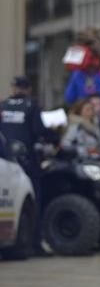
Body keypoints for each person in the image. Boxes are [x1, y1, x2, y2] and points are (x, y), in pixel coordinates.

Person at [1, 76, 54, 254]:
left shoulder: (3, 105)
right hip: (27, 161)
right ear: (29, 89)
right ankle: (33, 243)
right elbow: (40, 131)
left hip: (6, 159)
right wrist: (55, 138)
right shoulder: (31, 106)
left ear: (13, 87)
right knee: (32, 201)